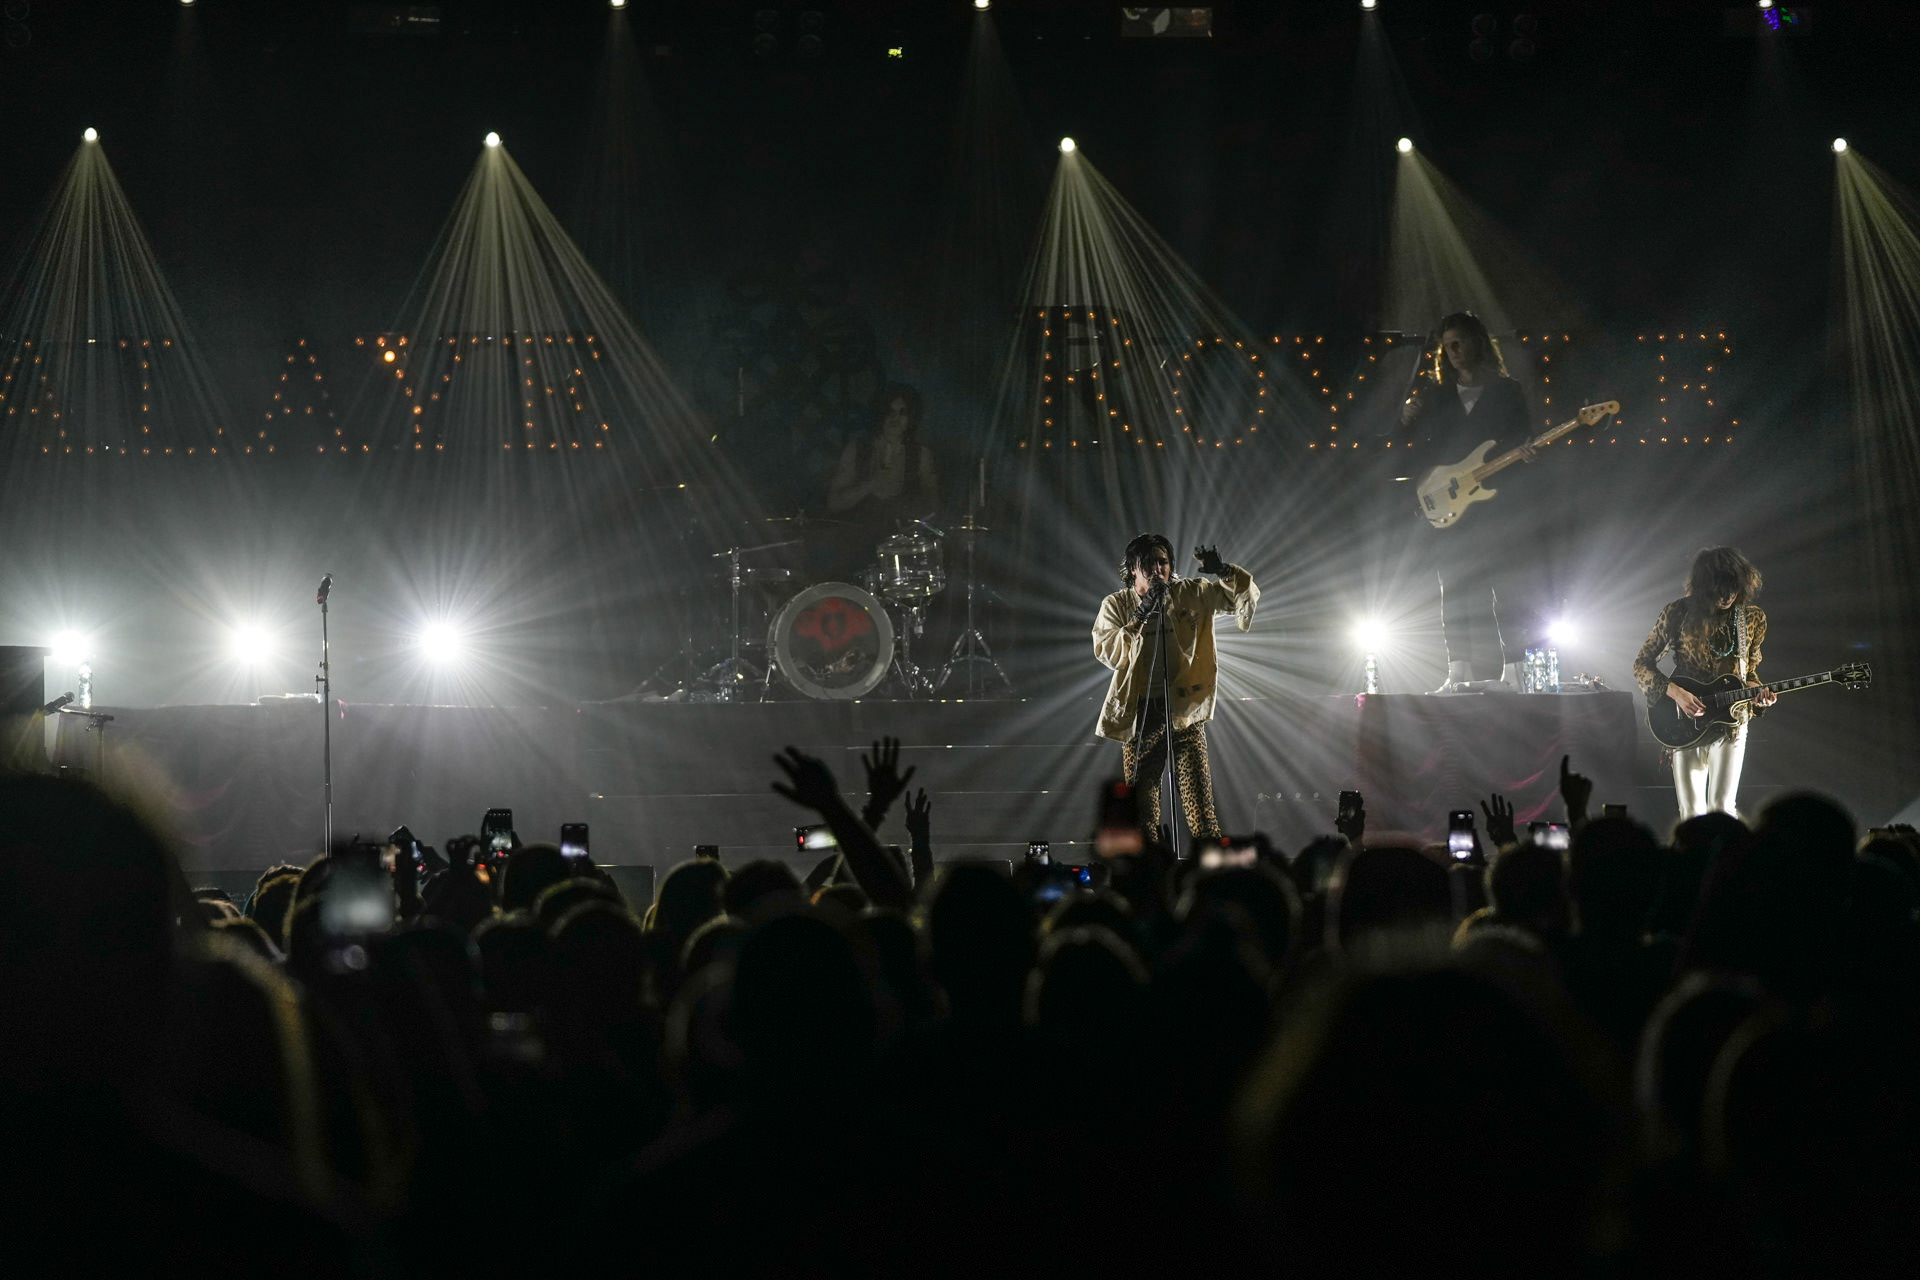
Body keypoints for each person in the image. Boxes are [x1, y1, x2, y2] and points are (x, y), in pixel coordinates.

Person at [1400, 311, 1540, 693]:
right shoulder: (1437, 396)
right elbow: (1415, 449)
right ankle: (1457, 671)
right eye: (1448, 346)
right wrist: (1406, 418)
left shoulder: (1507, 391)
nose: (1455, 351)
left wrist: (1527, 454)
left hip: (1495, 503)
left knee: (1505, 588)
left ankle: (1514, 671)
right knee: (1454, 589)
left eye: (1460, 342)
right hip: (1450, 502)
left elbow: (1522, 439)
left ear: (1478, 342)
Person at [1091, 534, 1259, 841]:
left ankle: (1210, 862)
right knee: (1142, 811)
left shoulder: (1190, 593)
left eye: (1163, 562)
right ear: (1133, 569)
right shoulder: (1116, 605)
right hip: (1141, 715)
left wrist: (1223, 571)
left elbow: (1239, 599)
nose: (1158, 569)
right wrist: (1141, 613)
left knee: (1201, 806)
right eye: (1149, 563)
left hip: (1184, 713)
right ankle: (1150, 865)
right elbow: (1109, 652)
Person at [1632, 546, 1777, 820]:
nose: (1727, 596)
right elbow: (1642, 664)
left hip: (1732, 723)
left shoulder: (1752, 618)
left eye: (1733, 589)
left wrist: (1758, 693)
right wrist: (1676, 693)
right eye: (1719, 590)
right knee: (1691, 812)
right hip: (1686, 722)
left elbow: (1750, 673)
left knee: (1723, 809)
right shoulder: (1678, 612)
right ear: (1703, 587)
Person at [822, 385, 939, 581]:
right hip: (857, 552)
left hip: (903, 557)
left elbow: (933, 507)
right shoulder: (857, 450)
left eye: (902, 413)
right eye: (889, 412)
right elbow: (834, 503)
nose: (895, 418)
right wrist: (870, 484)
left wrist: (913, 520)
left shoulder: (920, 455)